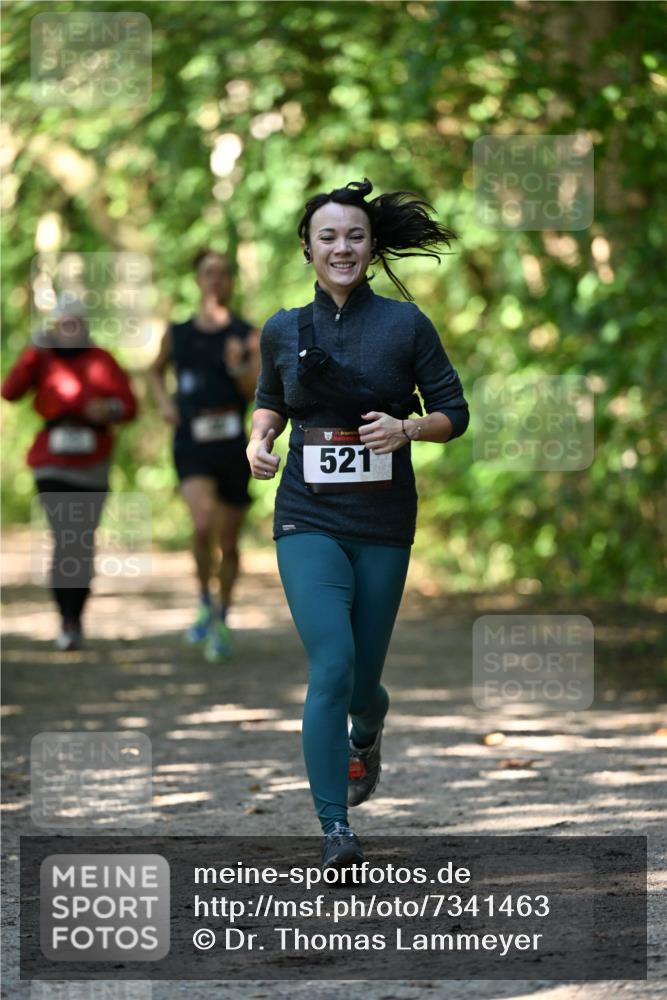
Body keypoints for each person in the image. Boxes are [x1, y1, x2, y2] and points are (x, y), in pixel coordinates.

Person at [247, 178, 470, 871]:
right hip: (306, 516)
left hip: (382, 522)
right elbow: (268, 400)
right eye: (327, 237)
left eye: (353, 236)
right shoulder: (283, 328)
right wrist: (258, 440)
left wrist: (407, 428)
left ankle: (367, 729)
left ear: (371, 247)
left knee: (362, 682)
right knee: (332, 666)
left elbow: (453, 414)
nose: (340, 247)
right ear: (308, 249)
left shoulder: (405, 325)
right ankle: (334, 826)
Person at [1, 295, 137, 651]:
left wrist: (106, 409)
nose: (70, 329)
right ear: (55, 326)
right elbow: (10, 391)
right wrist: (33, 350)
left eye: (76, 323)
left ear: (85, 325)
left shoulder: (101, 360)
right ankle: (66, 618)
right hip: (52, 462)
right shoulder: (42, 357)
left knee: (81, 540)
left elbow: (129, 406)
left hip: (92, 463)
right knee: (66, 536)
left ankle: (76, 615)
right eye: (63, 324)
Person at [148, 250, 259, 661]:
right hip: (191, 441)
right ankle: (203, 600)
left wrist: (237, 366)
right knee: (201, 522)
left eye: (222, 273)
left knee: (228, 542)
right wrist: (163, 402)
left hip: (232, 445)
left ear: (230, 281)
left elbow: (255, 392)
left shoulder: (247, 334)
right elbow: (154, 370)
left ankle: (223, 618)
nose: (215, 280)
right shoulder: (177, 333)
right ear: (197, 280)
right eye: (208, 273)